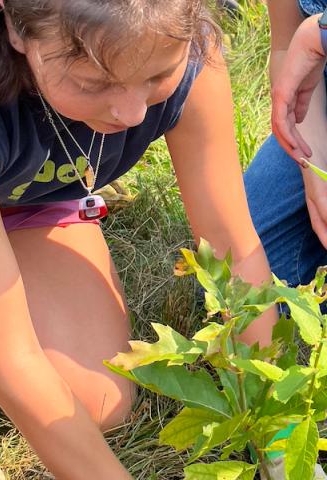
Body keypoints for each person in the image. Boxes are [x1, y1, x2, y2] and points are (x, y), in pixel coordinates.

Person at [0, 0, 276, 478]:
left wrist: (274, 425)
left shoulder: (184, 34)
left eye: (158, 76)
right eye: (94, 83)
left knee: (96, 402)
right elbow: (9, 355)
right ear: (13, 25)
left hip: (29, 191)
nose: (132, 112)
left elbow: (230, 243)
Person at [244, 2, 327, 479]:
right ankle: (281, 439)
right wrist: (314, 169)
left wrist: (321, 31)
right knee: (248, 282)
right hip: (319, 96)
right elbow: (286, 44)